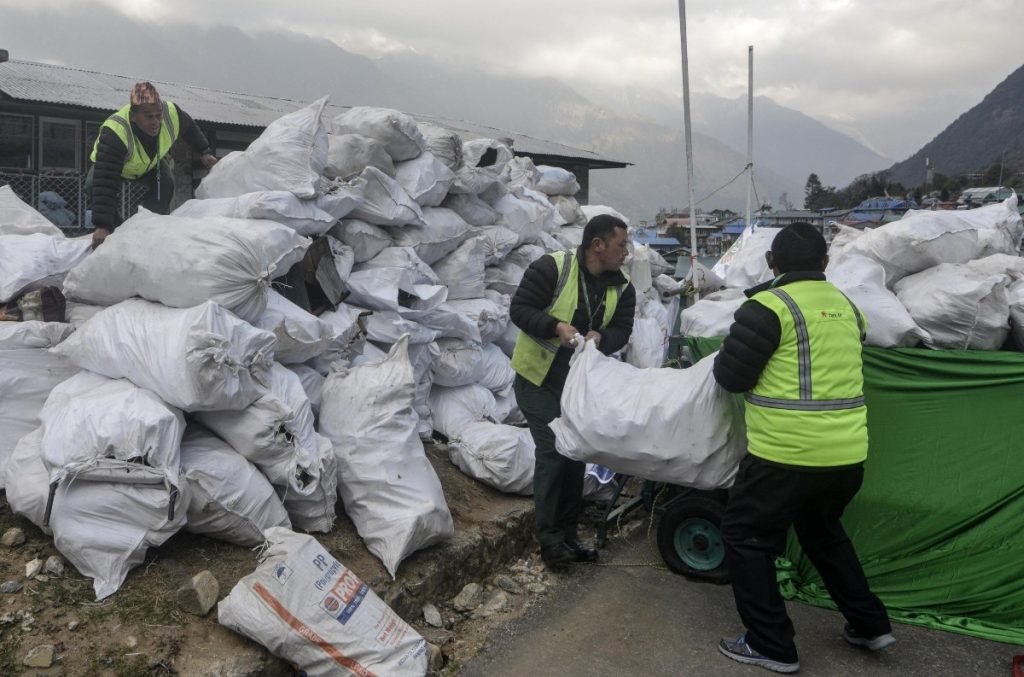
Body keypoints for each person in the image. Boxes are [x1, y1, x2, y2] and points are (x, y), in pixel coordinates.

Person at [712, 222, 893, 673]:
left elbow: (731, 377)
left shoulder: (767, 308)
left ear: (771, 263)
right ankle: (870, 625)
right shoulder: (849, 308)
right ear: (825, 264)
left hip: (785, 455)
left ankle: (771, 643)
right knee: (823, 533)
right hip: (847, 456)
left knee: (745, 537)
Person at [510, 214, 635, 570]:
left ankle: (568, 535)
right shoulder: (553, 268)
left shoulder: (622, 287)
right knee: (553, 450)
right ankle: (550, 541)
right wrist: (556, 326)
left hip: (579, 387)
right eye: (621, 244)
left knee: (575, 455)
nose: (625, 253)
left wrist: (602, 338)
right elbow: (519, 309)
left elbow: (622, 329)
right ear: (598, 245)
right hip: (538, 379)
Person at [87, 81, 218, 248]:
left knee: (165, 183)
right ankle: (117, 232)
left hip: (151, 165)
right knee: (93, 185)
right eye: (148, 116)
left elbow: (190, 128)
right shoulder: (116, 131)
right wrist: (102, 226)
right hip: (116, 168)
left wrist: (204, 151)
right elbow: (105, 180)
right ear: (133, 116)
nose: (155, 121)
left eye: (158, 115)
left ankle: (148, 230)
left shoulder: (171, 114)